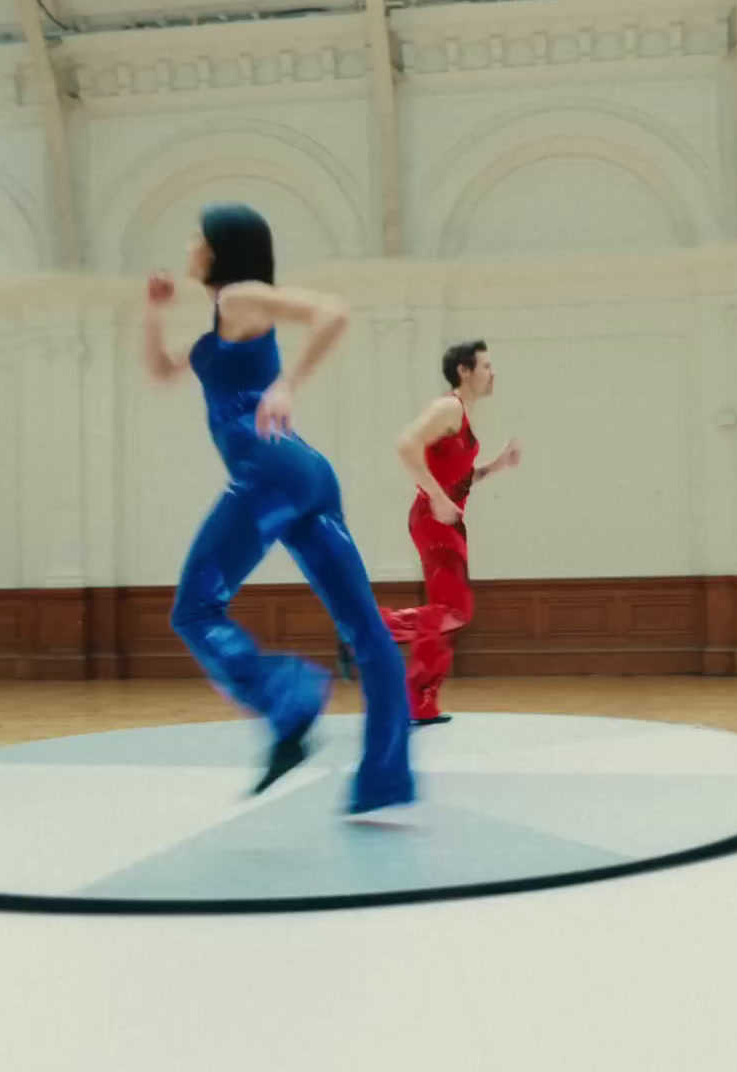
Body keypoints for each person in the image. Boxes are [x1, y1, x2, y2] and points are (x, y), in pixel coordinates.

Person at [143, 202, 413, 818]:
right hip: (304, 475)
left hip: (268, 474)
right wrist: (153, 313)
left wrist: (289, 383)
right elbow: (161, 371)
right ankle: (384, 779)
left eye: (196, 235)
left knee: (194, 610)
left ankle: (289, 699)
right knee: (365, 629)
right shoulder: (219, 326)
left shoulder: (241, 296)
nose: (188, 245)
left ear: (218, 246)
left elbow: (333, 312)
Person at [361, 340, 519, 726]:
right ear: (464, 371)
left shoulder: (461, 415)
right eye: (485, 365)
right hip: (433, 522)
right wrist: (435, 496)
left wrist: (492, 468)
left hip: (446, 520)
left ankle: (421, 703)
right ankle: (368, 626)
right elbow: (405, 445)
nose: (492, 372)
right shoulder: (447, 407)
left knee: (443, 617)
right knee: (454, 610)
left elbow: (457, 477)